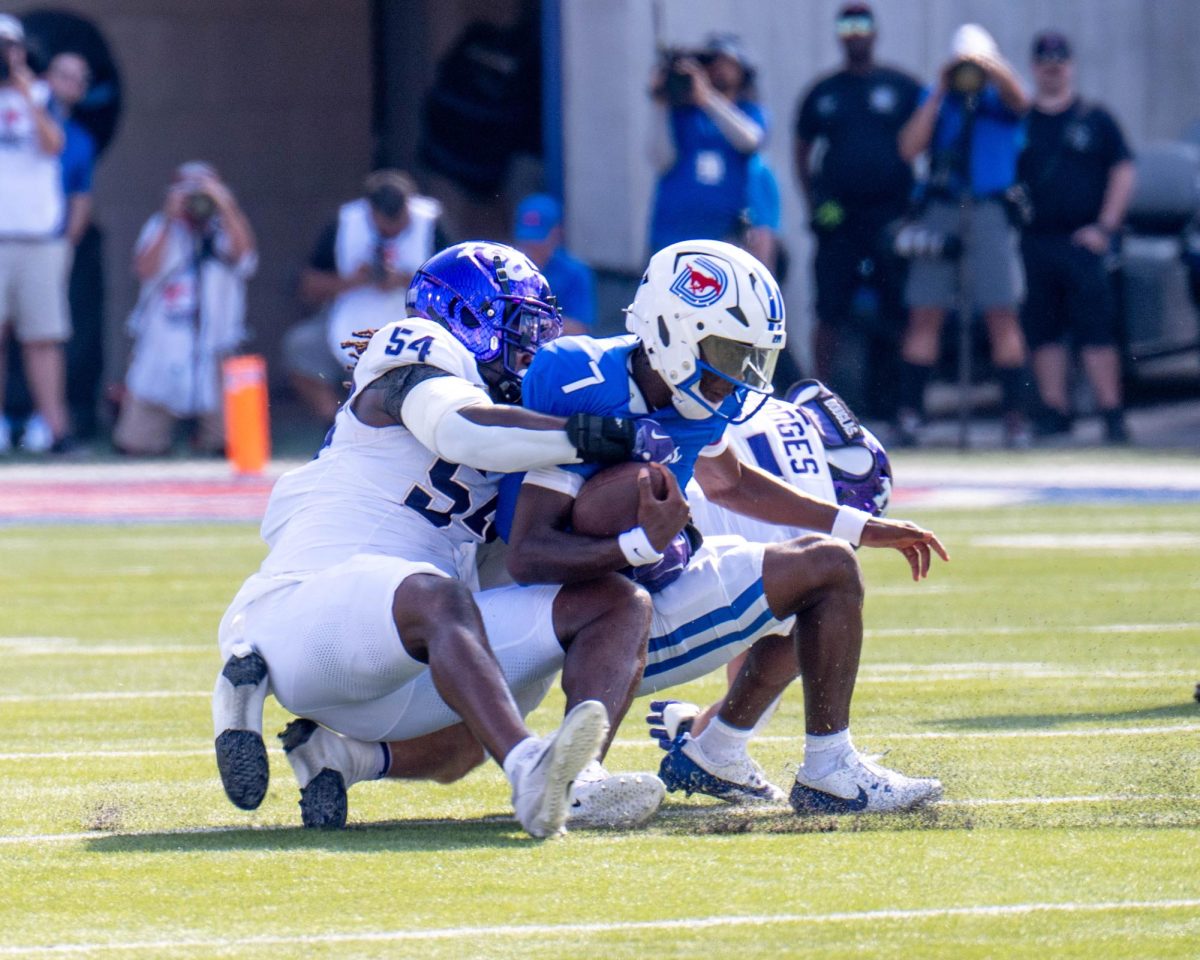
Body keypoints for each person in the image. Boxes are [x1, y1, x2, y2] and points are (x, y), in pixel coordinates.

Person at [213, 242, 678, 836]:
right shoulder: (418, 358)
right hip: (307, 620)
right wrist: (600, 436)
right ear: (464, 317)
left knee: (611, 606)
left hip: (405, 656)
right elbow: (462, 432)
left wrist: (641, 539)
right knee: (437, 598)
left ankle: (572, 781)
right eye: (518, 328)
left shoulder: (520, 419)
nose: (532, 349)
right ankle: (529, 770)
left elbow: (526, 548)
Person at [499, 239, 949, 813]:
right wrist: (638, 542)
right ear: (672, 331)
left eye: (754, 358)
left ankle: (822, 768)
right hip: (574, 615)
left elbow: (731, 481)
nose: (742, 377)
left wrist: (858, 525)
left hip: (654, 590)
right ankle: (578, 776)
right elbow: (527, 553)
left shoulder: (695, 398)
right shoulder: (576, 379)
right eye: (732, 353)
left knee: (829, 568)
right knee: (633, 530)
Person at [647, 379, 894, 769]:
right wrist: (700, 731)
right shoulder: (804, 522)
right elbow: (755, 678)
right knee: (816, 602)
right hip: (639, 600)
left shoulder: (761, 408)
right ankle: (824, 764)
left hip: (617, 538)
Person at [896, 24, 1032, 447]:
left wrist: (992, 69)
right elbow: (908, 148)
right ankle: (911, 413)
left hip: (990, 209)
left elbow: (1022, 103)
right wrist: (940, 88)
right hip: (942, 206)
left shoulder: (999, 100)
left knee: (1001, 312)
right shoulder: (938, 101)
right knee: (926, 312)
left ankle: (1016, 415)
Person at [795, 3, 920, 421]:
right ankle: (818, 400)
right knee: (829, 308)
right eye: (846, 25)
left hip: (891, 215)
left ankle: (900, 402)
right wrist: (814, 202)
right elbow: (802, 146)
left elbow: (929, 130)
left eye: (862, 25)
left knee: (898, 307)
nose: (855, 33)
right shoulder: (824, 92)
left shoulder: (900, 86)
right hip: (838, 218)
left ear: (874, 32)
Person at [1018, 31, 1136, 444]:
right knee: (1044, 332)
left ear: (1069, 66)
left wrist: (1106, 225)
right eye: (1045, 63)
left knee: (1096, 331)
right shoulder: (1023, 120)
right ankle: (1054, 408)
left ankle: (1111, 412)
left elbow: (1123, 170)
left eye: (1060, 62)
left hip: (1083, 240)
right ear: (1034, 67)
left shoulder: (1094, 118)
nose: (1053, 69)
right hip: (1036, 240)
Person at [112, 162, 257, 455]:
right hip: (163, 345)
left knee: (230, 445)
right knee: (136, 444)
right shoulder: (160, 226)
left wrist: (225, 207)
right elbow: (144, 268)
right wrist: (169, 219)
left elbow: (245, 257)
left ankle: (209, 434)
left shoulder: (226, 227)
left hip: (216, 347)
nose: (197, 201)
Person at [284, 170, 446, 424]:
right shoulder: (345, 223)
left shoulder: (432, 223)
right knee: (302, 346)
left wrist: (405, 279)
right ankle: (337, 423)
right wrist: (352, 281)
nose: (390, 232)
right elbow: (307, 284)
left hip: (413, 320)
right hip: (349, 317)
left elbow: (455, 285)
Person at [0, 14, 69, 454]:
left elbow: (53, 145)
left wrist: (27, 94)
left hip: (38, 237)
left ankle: (54, 428)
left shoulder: (42, 95)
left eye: (11, 47)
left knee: (43, 337)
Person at [648, 33, 767, 253]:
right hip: (673, 232)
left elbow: (750, 141)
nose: (718, 70)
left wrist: (707, 98)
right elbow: (661, 160)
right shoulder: (681, 114)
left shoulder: (749, 111)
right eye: (712, 64)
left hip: (724, 234)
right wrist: (661, 101)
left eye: (727, 64)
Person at [46, 51, 103, 442]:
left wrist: (64, 249)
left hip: (47, 244)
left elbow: (81, 199)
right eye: (63, 75)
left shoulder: (80, 139)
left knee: (46, 336)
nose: (71, 84)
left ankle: (53, 427)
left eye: (79, 79)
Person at [512, 193, 596, 334]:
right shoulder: (504, 266)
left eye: (538, 239)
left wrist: (524, 322)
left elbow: (580, 328)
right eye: (527, 239)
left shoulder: (575, 272)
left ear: (557, 232)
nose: (531, 245)